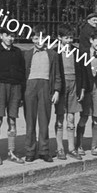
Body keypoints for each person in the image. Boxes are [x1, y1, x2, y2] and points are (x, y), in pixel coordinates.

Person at [0, 27, 26, 165]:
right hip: (0, 86)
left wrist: (21, 89)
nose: (10, 38)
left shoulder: (18, 52)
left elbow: (22, 71)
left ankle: (11, 151)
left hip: (15, 87)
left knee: (12, 120)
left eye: (13, 36)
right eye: (7, 35)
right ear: (1, 36)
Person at [23, 25, 62, 162]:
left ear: (46, 39)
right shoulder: (27, 54)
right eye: (35, 38)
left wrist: (56, 90)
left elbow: (57, 75)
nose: (38, 41)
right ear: (32, 39)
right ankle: (30, 151)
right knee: (30, 121)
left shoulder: (52, 54)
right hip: (30, 87)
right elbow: (23, 74)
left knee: (44, 120)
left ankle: (44, 150)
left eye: (41, 38)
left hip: (46, 87)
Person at [54, 25, 85, 160]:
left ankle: (71, 148)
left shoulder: (77, 53)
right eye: (66, 37)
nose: (69, 40)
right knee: (60, 118)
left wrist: (82, 89)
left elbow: (82, 72)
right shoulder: (55, 52)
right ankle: (60, 148)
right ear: (59, 38)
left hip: (74, 85)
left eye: (71, 37)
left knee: (71, 118)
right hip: (61, 86)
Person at [76, 32, 97, 156]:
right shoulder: (83, 54)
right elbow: (80, 71)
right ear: (91, 40)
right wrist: (81, 89)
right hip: (87, 89)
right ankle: (79, 145)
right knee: (84, 117)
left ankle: (94, 146)